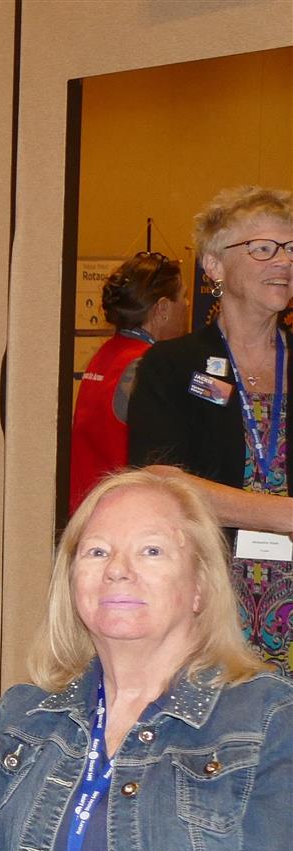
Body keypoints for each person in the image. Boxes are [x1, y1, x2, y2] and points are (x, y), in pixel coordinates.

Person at [0, 470, 293, 851]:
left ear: (200, 586)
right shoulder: (23, 714)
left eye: (151, 550)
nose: (117, 569)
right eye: (97, 551)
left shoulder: (268, 719)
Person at [129, 186, 293, 670]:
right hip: (208, 594)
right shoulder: (171, 365)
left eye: (291, 249)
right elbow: (161, 480)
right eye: (263, 248)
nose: (284, 262)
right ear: (215, 266)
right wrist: (284, 515)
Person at [70, 253, 184, 513]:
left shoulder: (104, 354)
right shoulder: (147, 366)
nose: (187, 304)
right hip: (122, 512)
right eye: (183, 296)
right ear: (163, 309)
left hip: (87, 506)